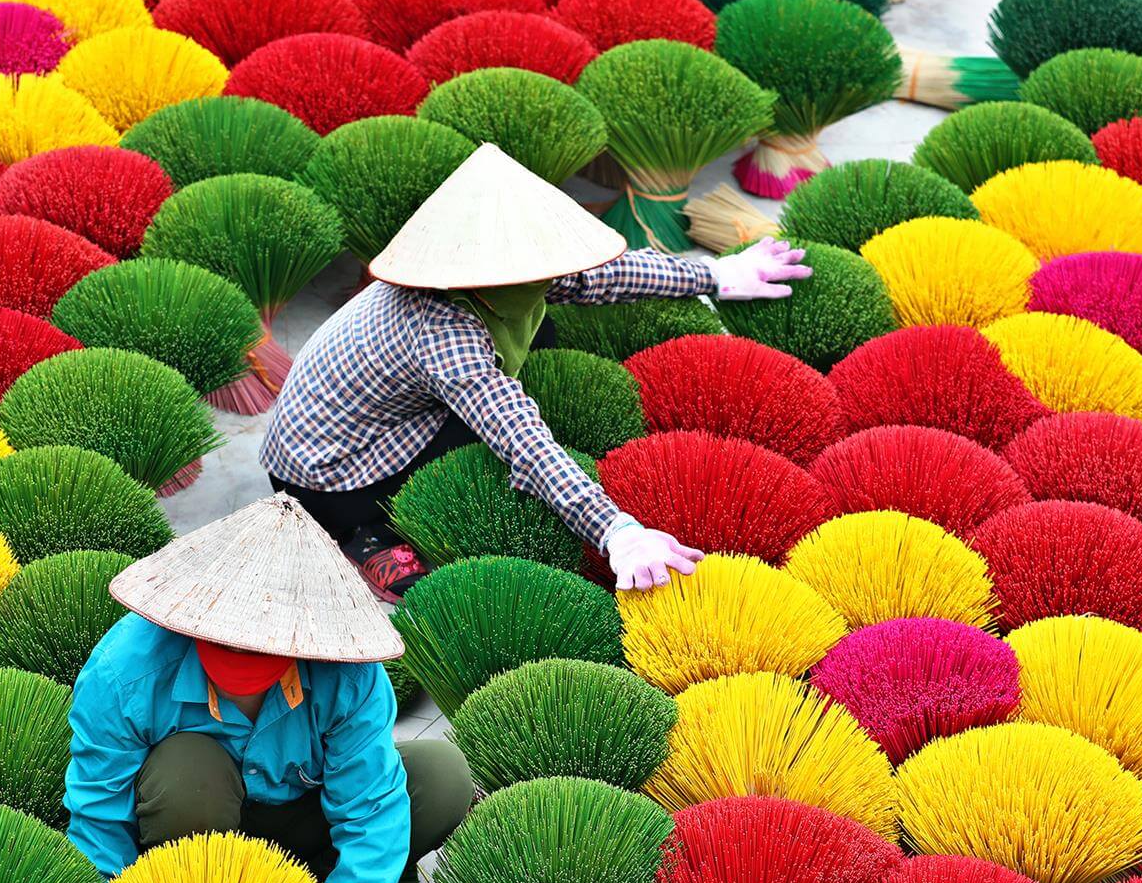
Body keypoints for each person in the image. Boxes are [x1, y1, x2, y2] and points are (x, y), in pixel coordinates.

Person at [262, 141, 812, 602]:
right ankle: (364, 534)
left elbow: (606, 276)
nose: (557, 271)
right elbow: (523, 441)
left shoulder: (497, 274)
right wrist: (617, 531)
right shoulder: (441, 331)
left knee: (543, 329)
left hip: (380, 416)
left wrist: (716, 274)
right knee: (487, 448)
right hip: (330, 474)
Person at [63, 493, 473, 883]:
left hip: (304, 825)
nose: (243, 652)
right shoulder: (126, 671)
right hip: (193, 830)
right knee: (188, 768)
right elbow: (100, 816)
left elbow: (370, 812)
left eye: (262, 645)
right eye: (228, 642)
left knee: (441, 777)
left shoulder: (350, 677)